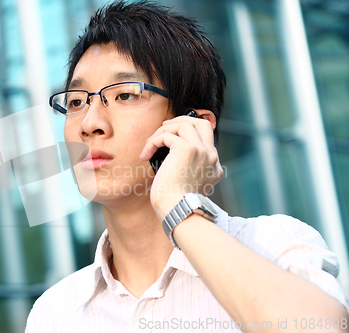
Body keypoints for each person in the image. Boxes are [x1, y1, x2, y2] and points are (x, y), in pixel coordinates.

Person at [25, 1, 349, 332]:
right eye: (77, 101)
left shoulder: (275, 246)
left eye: (125, 95)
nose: (89, 123)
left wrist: (177, 204)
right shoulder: (55, 314)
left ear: (193, 126)